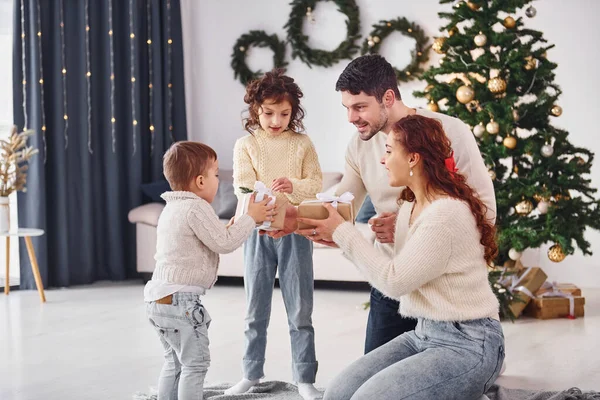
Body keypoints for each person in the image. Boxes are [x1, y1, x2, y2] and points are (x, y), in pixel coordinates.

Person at [298, 115, 504, 400]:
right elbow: (394, 268)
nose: (383, 160)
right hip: (424, 333)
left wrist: (345, 235)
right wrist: (339, 238)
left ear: (413, 159)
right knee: (336, 393)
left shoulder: (445, 214)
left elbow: (395, 282)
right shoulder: (410, 206)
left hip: (469, 342)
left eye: (389, 151)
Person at [327, 54, 496, 353]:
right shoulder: (359, 145)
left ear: (388, 97)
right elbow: (342, 204)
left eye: (360, 107)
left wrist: (410, 223)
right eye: (347, 108)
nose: (351, 118)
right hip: (391, 277)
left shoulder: (449, 131)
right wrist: (292, 217)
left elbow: (484, 208)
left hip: (444, 287)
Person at [144, 141, 274, 400]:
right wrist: (251, 217)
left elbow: (211, 239)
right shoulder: (197, 207)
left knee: (174, 363)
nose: (218, 180)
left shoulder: (173, 208)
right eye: (216, 175)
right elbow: (224, 245)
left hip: (157, 299)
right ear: (200, 181)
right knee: (195, 365)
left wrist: (236, 223)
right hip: (182, 302)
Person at [225, 69, 323, 400]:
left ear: (294, 111)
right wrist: (266, 194)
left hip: (294, 231)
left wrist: (292, 186)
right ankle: (251, 373)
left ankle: (305, 378)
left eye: (284, 113)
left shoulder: (302, 144)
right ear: (255, 109)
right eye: (269, 113)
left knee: (300, 309)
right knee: (255, 309)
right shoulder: (246, 145)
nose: (276, 120)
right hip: (256, 233)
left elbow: (315, 184)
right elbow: (243, 184)